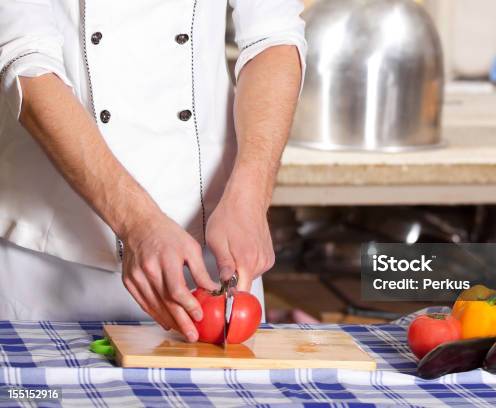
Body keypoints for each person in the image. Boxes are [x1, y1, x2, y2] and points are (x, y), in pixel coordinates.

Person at [0, 1, 306, 343]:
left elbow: (273, 36)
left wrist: (251, 194)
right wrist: (138, 224)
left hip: (210, 257)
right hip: (50, 261)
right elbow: (25, 59)